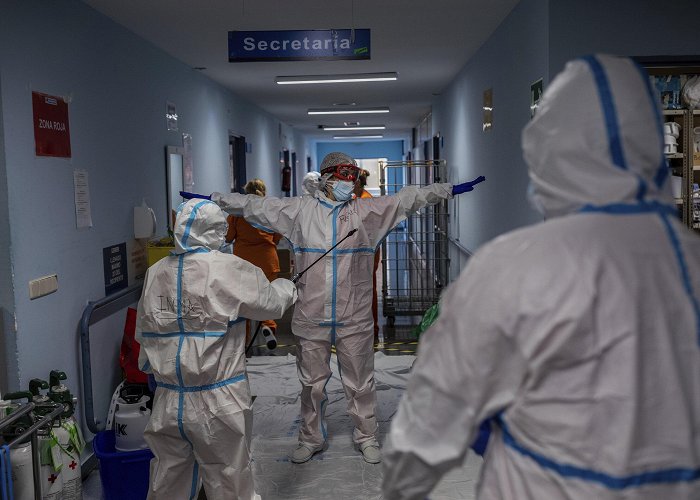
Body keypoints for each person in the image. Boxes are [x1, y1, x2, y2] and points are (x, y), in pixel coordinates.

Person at [383, 54, 700, 499]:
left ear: (548, 155)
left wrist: (400, 491)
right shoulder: (690, 262)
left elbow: (429, 418)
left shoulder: (512, 268)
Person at [181, 153, 484, 465]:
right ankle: (311, 438)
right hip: (311, 316)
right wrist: (213, 199)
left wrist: (448, 189)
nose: (348, 181)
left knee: (361, 381)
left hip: (354, 316)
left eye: (353, 175)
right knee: (311, 384)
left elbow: (409, 199)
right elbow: (252, 206)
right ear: (326, 178)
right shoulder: (298, 211)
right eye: (343, 174)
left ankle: (366, 436)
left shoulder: (368, 212)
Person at [135, 199, 297, 500]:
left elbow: (143, 332)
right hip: (218, 401)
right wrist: (289, 288)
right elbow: (270, 303)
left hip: (169, 401)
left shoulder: (156, 272)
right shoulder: (229, 268)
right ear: (217, 231)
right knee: (229, 479)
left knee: (167, 481)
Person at [226, 179, 283, 351]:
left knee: (244, 302)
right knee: (268, 299)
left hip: (243, 262)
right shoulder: (271, 211)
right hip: (268, 261)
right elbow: (277, 237)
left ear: (246, 192)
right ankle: (267, 325)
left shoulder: (237, 212)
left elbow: (228, 237)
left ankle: (244, 343)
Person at [354, 169, 381, 341]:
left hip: (366, 252)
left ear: (357, 183)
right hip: (361, 252)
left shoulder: (364, 201)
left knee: (367, 291)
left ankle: (371, 330)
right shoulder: (359, 199)